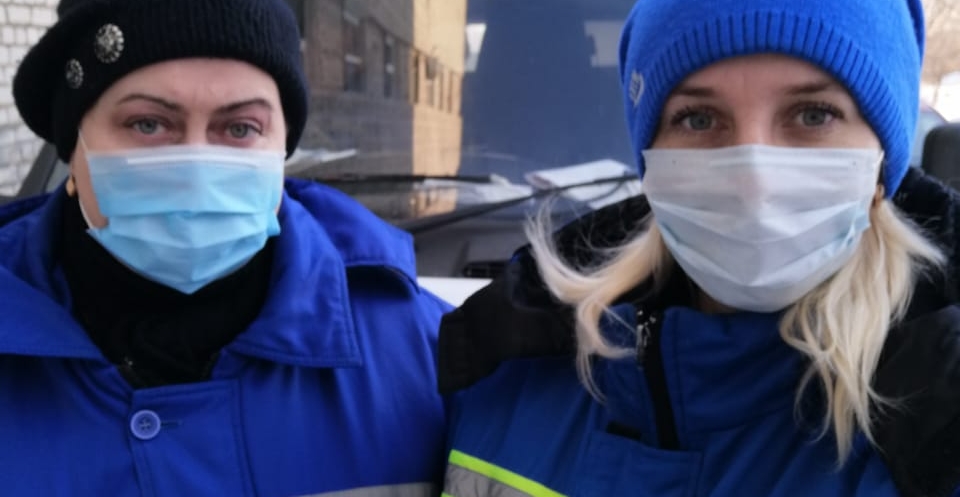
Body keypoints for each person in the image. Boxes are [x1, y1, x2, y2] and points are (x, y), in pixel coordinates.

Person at [436, 0, 960, 495]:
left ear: (881, 165)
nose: (753, 180)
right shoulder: (503, 369)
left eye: (813, 115)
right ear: (652, 157)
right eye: (699, 119)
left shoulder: (940, 421)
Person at [0, 0, 450, 494]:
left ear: (282, 146)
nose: (196, 169)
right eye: (147, 124)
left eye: (240, 128)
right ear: (74, 148)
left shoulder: (430, 353)